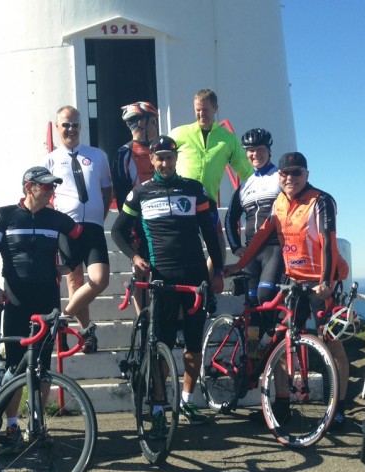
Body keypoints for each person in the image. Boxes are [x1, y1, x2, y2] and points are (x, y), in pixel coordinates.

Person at [224, 152, 350, 428]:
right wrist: (238, 265)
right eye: (285, 173)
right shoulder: (280, 201)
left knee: (332, 342)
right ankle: (281, 406)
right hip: (294, 281)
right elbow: (260, 237)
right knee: (283, 340)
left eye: (296, 172)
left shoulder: (321, 201)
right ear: (279, 177)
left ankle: (340, 406)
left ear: (306, 174)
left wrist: (326, 282)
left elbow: (329, 244)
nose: (290, 178)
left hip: (322, 282)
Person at [111, 135, 225, 431]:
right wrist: (135, 258)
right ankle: (159, 406)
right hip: (161, 276)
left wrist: (218, 271)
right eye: (159, 157)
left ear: (176, 159)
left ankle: (187, 400)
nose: (164, 162)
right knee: (158, 342)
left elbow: (210, 235)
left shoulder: (193, 189)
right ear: (151, 159)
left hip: (194, 276)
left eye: (169, 157)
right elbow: (118, 231)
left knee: (193, 342)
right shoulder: (139, 193)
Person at [0, 166, 83, 453]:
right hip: (15, 298)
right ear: (29, 187)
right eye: (47, 187)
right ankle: (12, 423)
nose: (52, 192)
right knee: (16, 365)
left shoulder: (55, 218)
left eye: (53, 187)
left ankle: (36, 423)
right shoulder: (3, 215)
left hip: (46, 299)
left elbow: (82, 239)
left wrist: (69, 264)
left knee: (42, 365)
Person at [169, 88, 254, 299]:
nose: (201, 114)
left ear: (215, 109)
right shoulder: (179, 133)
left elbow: (245, 171)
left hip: (207, 202)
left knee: (218, 247)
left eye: (206, 110)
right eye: (198, 110)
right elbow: (162, 162)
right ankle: (182, 293)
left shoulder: (228, 139)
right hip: (180, 200)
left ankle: (205, 287)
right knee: (182, 249)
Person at [44, 105, 113, 352]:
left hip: (93, 226)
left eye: (75, 124)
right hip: (67, 225)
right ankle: (86, 333)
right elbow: (43, 196)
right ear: (58, 127)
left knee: (99, 279)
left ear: (81, 127)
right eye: (66, 125)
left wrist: (100, 215)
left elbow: (107, 189)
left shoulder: (97, 155)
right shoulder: (50, 160)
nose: (71, 129)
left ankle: (63, 316)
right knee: (75, 280)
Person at [225, 128, 284, 356]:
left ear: (269, 151)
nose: (255, 154)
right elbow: (231, 217)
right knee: (251, 306)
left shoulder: (281, 177)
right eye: (250, 151)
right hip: (251, 252)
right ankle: (252, 357)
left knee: (265, 297)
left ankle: (269, 344)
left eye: (260, 149)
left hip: (275, 248)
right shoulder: (245, 184)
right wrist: (236, 248)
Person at [111, 101, 160, 209]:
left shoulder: (158, 148)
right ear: (141, 123)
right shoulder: (124, 153)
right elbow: (121, 191)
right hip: (137, 215)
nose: (156, 126)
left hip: (158, 213)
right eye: (153, 121)